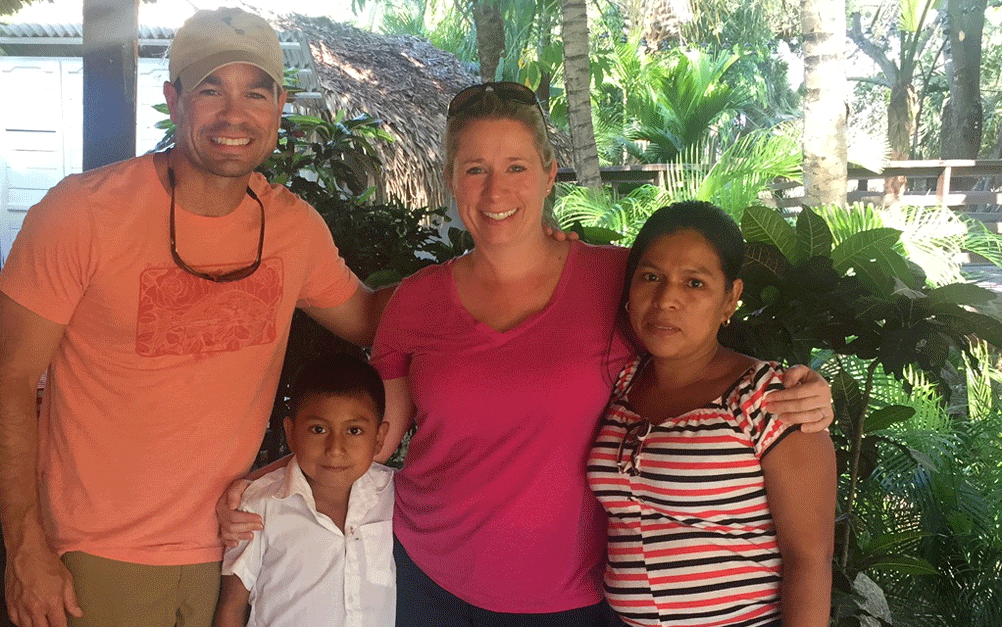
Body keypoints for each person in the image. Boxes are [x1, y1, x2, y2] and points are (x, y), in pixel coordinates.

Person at [222, 82, 835, 626]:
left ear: (549, 173)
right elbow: (372, 441)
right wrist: (262, 489)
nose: (496, 191)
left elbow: (697, 341)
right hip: (426, 577)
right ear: (450, 178)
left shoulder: (619, 280)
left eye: (516, 167)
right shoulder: (415, 302)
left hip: (569, 597)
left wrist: (802, 389)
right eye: (475, 169)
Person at [0, 8, 385, 627]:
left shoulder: (293, 228)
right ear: (174, 100)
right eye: (210, 90)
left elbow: (371, 320)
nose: (233, 114)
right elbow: (4, 380)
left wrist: (491, 269)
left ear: (280, 106)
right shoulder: (81, 214)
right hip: (97, 553)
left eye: (256, 93)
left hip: (234, 542)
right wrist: (25, 546)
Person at [586, 201, 836, 627]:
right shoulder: (622, 381)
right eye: (651, 277)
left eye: (695, 283)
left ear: (730, 297)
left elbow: (810, 560)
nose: (666, 300)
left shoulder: (772, 400)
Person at [214, 353, 395, 627]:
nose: (335, 449)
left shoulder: (392, 494)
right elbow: (232, 606)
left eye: (354, 431)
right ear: (291, 433)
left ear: (379, 438)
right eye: (318, 429)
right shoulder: (259, 506)